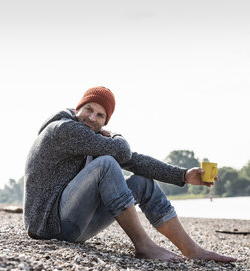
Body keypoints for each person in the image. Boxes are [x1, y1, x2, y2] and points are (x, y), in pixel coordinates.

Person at [24, 86, 236, 262]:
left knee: (142, 181)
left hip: (74, 227)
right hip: (48, 226)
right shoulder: (63, 129)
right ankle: (144, 246)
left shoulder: (90, 137)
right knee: (106, 163)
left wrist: (182, 175)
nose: (92, 118)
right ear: (77, 108)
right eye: (88, 109)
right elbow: (122, 150)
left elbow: (132, 160)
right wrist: (115, 134)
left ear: (105, 121)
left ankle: (192, 250)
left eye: (100, 115)